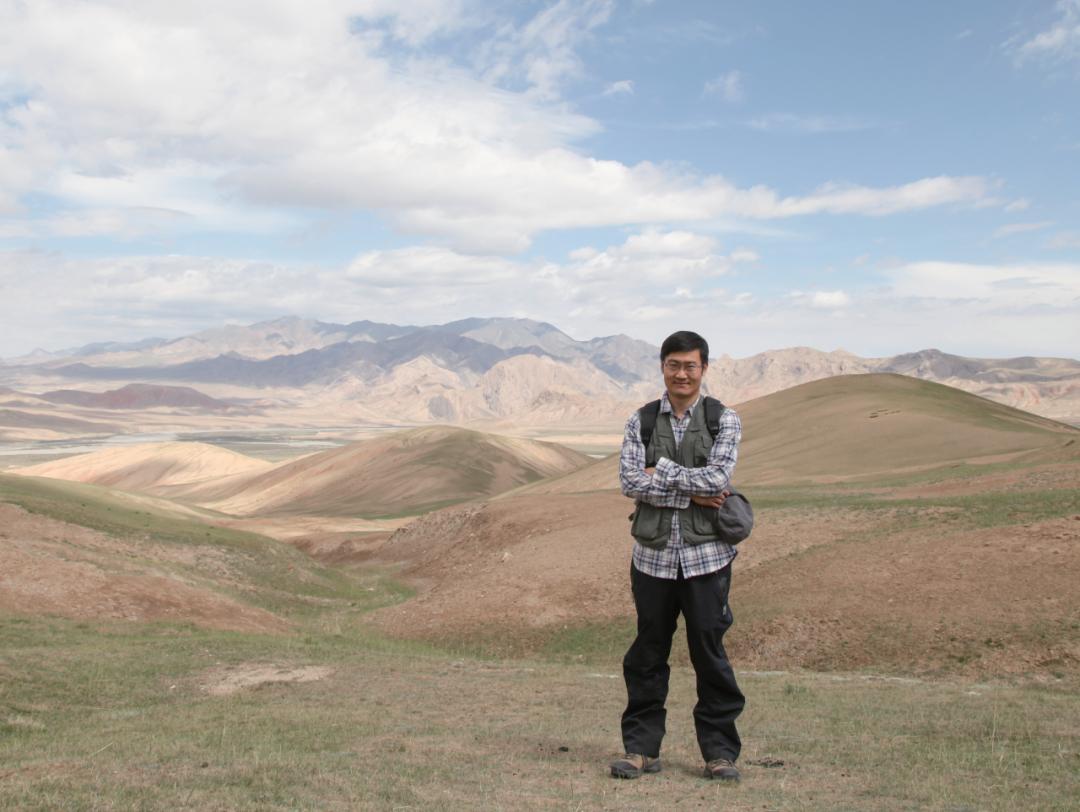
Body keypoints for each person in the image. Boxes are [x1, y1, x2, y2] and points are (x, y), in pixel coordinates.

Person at [610, 330, 745, 782]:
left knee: (710, 654)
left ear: (703, 368)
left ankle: (720, 753)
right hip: (652, 560)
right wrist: (692, 494)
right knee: (647, 654)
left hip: (707, 560)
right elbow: (630, 482)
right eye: (673, 365)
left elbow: (718, 480)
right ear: (662, 367)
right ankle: (640, 749)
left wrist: (663, 471)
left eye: (690, 365)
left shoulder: (723, 419)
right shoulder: (642, 421)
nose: (681, 374)